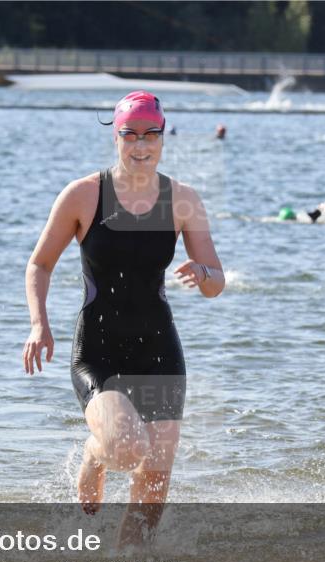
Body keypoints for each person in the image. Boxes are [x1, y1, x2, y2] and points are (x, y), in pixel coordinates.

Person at [23, 90, 225, 532]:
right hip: (100, 351)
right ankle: (94, 455)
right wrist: (40, 324)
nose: (140, 145)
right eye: (130, 135)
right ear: (116, 138)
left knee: (154, 482)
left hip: (159, 351)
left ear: (163, 137)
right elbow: (39, 264)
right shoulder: (83, 195)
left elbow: (217, 283)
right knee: (126, 446)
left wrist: (203, 273)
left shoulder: (182, 199)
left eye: (150, 134)